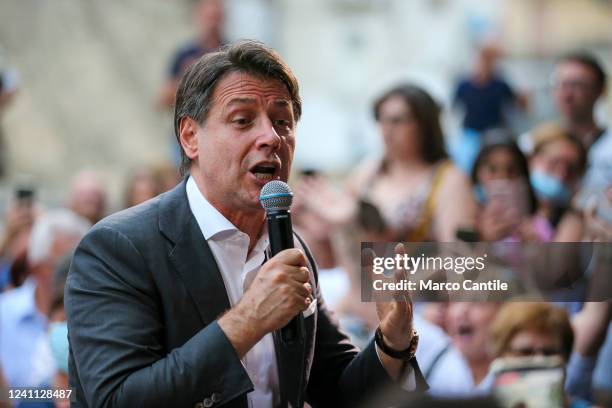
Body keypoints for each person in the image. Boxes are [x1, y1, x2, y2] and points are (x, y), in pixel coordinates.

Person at [66, 40, 427, 408]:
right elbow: (115, 400)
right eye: (243, 120)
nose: (271, 137)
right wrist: (248, 320)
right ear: (190, 137)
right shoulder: (118, 248)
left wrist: (393, 339)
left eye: (283, 122)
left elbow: (339, 391)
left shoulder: (290, 248)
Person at [297, 84, 477, 243]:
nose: (387, 130)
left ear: (424, 125)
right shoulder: (369, 171)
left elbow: (459, 260)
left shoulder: (449, 179)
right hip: (360, 279)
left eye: (397, 121)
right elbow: (336, 235)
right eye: (381, 120)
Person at [0, 209, 90, 389]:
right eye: (63, 267)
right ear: (35, 267)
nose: (74, 277)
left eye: (83, 266)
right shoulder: (4, 314)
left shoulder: (97, 316)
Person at [156, 0, 225, 110]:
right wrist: (188, 79)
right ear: (198, 16)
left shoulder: (230, 54)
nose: (212, 23)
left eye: (216, 17)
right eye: (208, 17)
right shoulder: (184, 54)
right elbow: (163, 100)